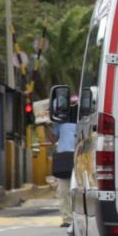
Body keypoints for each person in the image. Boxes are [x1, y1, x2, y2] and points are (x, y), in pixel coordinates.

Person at [52, 96, 78, 228]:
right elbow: (53, 138)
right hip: (64, 158)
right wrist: (49, 124)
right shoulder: (60, 122)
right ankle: (68, 219)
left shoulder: (84, 120)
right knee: (63, 190)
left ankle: (79, 218)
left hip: (79, 156)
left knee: (78, 189)